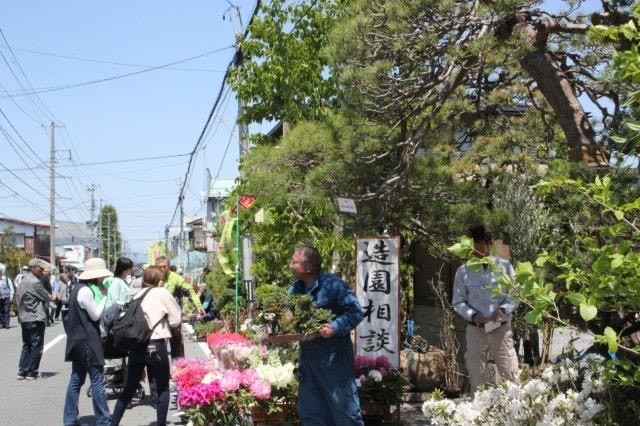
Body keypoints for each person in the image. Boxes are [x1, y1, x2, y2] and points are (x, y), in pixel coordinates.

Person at [288, 245, 365, 426]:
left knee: (346, 414)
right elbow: (287, 319)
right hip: (308, 363)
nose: (290, 265)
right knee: (312, 415)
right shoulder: (294, 290)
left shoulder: (334, 286)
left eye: (294, 262)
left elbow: (355, 312)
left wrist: (334, 327)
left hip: (334, 361)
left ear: (308, 267)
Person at [452, 225, 519, 394]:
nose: (478, 249)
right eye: (474, 245)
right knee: (476, 372)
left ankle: (514, 408)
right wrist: (473, 315)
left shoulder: (504, 266)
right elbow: (458, 301)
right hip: (475, 328)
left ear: (488, 244)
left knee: (508, 369)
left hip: (500, 327)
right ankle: (478, 412)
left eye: (481, 244)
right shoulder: (463, 270)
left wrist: (502, 310)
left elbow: (515, 295)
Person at [111, 266, 181, 426]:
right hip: (156, 344)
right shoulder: (162, 293)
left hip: (137, 345)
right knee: (163, 388)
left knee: (129, 388)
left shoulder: (136, 294)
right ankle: (160, 423)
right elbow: (176, 319)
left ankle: (113, 423)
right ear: (160, 281)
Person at [63, 258, 112, 426]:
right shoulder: (86, 291)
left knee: (76, 381)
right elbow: (96, 315)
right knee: (98, 382)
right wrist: (105, 297)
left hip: (77, 341)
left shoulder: (77, 288)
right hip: (89, 342)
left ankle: (70, 419)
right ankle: (104, 420)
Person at [154, 256, 203, 358]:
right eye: (160, 267)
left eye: (165, 266)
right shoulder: (151, 277)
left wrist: (198, 305)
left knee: (176, 345)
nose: (162, 269)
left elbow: (190, 291)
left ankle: (179, 367)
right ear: (155, 267)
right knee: (156, 346)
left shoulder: (176, 278)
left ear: (168, 266)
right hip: (156, 317)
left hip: (173, 316)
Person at [15, 258, 52, 380]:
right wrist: (50, 296)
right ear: (34, 268)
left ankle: (22, 371)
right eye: (40, 269)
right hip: (35, 317)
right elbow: (46, 297)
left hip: (24, 317)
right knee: (36, 345)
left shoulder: (23, 280)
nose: (42, 271)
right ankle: (32, 372)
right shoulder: (35, 282)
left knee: (27, 345)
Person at [0, 263, 15, 329]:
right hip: (0, 298)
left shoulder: (6, 279)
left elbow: (11, 288)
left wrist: (11, 297)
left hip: (6, 297)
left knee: (6, 310)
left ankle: (7, 324)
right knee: (1, 311)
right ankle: (3, 323)